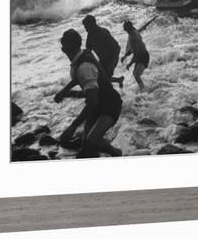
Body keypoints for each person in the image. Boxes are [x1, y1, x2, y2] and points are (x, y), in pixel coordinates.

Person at [54, 29, 122, 157]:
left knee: (92, 141)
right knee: (86, 147)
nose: (62, 48)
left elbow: (92, 102)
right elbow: (78, 78)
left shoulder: (84, 66)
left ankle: (117, 153)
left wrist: (73, 126)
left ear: (66, 49)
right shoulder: (82, 55)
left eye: (63, 45)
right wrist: (65, 90)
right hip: (98, 103)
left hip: (110, 104)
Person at [82, 15, 124, 88]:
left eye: (86, 27)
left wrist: (112, 64)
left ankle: (117, 84)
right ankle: (118, 80)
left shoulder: (103, 33)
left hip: (111, 59)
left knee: (103, 82)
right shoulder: (90, 35)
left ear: (93, 24)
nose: (85, 29)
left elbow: (117, 48)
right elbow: (88, 50)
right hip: (102, 60)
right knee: (100, 80)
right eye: (85, 27)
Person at [120, 17, 155, 92]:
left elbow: (136, 54)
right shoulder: (135, 31)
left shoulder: (132, 38)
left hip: (143, 57)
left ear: (127, 29)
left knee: (136, 75)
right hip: (143, 55)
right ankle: (144, 88)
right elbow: (133, 50)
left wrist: (130, 63)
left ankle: (143, 90)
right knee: (136, 74)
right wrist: (125, 56)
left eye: (125, 29)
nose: (124, 30)